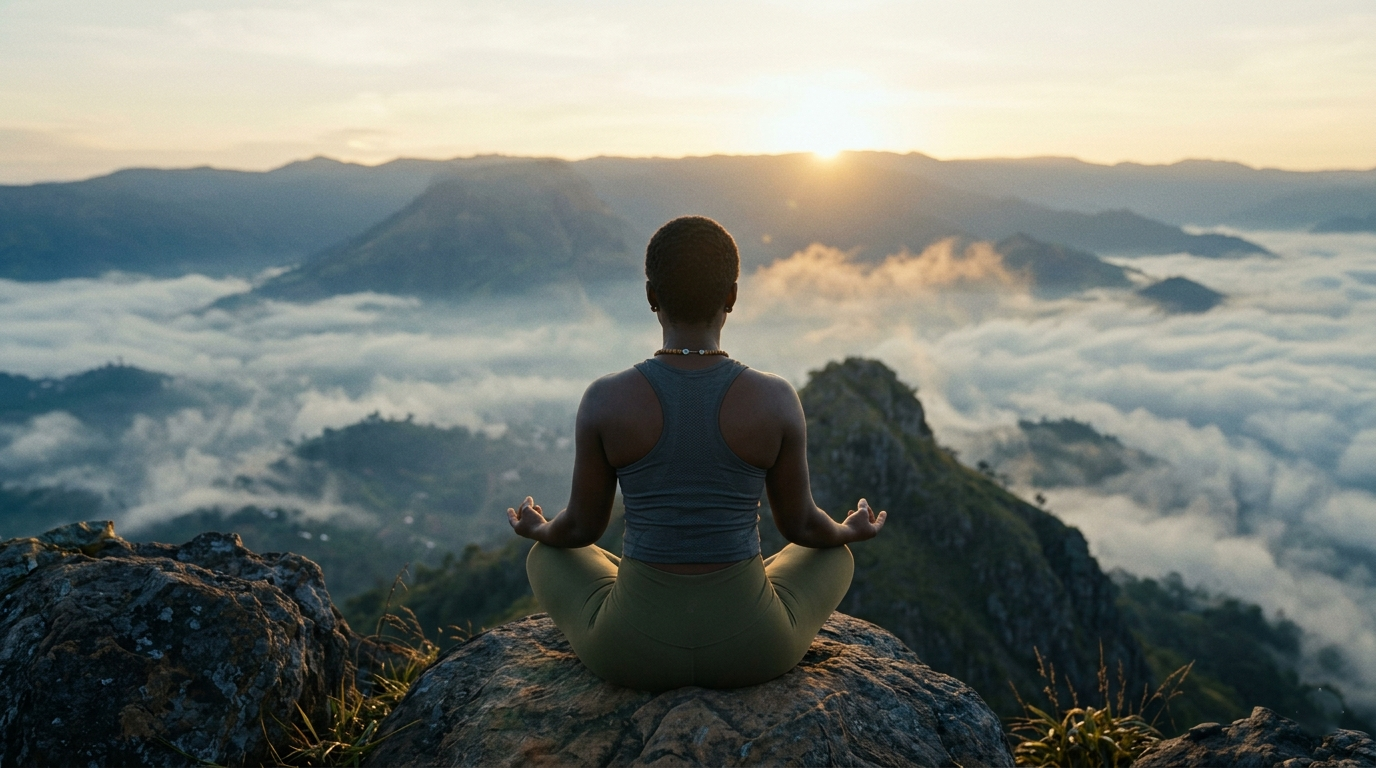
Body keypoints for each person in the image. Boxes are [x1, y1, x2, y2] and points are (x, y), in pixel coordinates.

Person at [506, 215, 887, 691]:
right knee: (835, 555)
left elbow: (581, 529)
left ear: (651, 296)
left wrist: (539, 528)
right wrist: (849, 530)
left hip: (631, 653)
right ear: (731, 296)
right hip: (754, 651)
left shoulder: (605, 399)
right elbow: (803, 528)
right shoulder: (774, 399)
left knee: (545, 556)